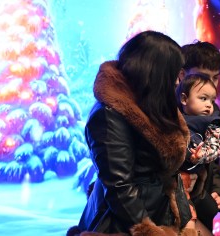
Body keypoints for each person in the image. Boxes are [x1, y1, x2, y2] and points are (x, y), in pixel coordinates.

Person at [67, 31, 196, 236]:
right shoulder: (109, 115)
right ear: (156, 72)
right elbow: (119, 187)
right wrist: (151, 232)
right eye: (174, 73)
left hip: (158, 215)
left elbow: (169, 173)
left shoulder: (152, 104)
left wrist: (185, 219)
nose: (177, 81)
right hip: (122, 224)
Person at [177, 41, 220, 232]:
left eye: (215, 78)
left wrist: (217, 190)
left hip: (199, 198)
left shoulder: (212, 111)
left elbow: (214, 161)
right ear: (182, 75)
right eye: (203, 77)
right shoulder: (166, 109)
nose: (211, 85)